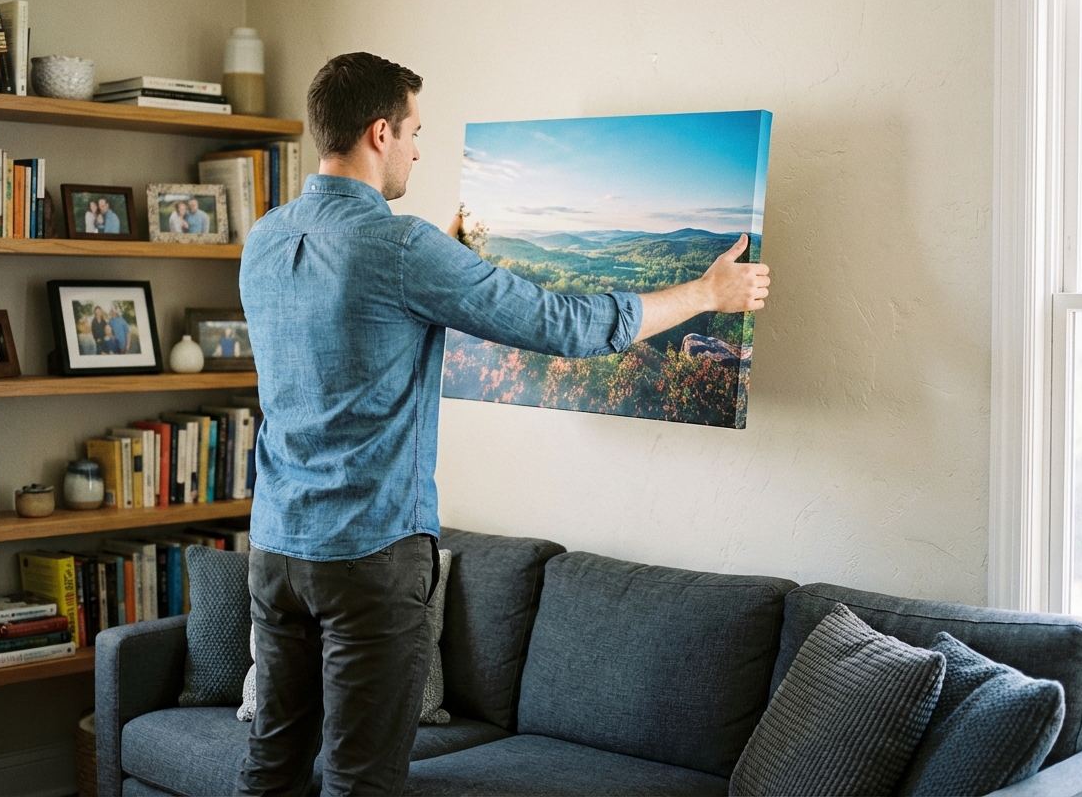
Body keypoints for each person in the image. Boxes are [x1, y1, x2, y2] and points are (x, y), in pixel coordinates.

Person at [236, 53, 770, 796]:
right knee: (362, 781)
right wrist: (706, 291)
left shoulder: (264, 239)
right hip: (368, 559)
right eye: (416, 132)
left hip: (274, 551)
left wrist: (441, 258)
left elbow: (350, 333)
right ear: (380, 132)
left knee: (272, 767)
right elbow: (568, 323)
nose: (421, 150)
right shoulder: (399, 247)